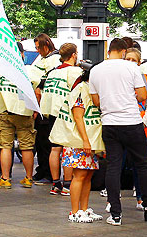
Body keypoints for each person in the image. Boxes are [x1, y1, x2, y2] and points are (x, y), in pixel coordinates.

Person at [88, 38, 147, 226]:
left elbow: (96, 100)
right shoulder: (132, 68)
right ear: (123, 52)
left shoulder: (95, 70)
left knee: (114, 166)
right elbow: (141, 95)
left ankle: (115, 213)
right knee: (142, 165)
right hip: (131, 122)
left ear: (109, 50)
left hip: (109, 123)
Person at [51, 65, 104, 222]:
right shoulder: (81, 89)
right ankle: (75, 211)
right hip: (79, 141)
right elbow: (78, 116)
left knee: (87, 176)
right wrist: (86, 141)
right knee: (79, 175)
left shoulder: (90, 89)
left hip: (89, 140)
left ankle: (84, 208)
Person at [0, 56, 43, 190]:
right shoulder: (29, 70)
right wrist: (36, 109)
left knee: (5, 146)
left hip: (4, 112)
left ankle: (5, 178)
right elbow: (38, 92)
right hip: (25, 112)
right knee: (26, 147)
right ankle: (29, 178)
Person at [38, 43, 83, 196]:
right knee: (68, 148)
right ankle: (68, 184)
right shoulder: (75, 71)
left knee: (55, 148)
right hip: (66, 114)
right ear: (74, 55)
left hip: (51, 113)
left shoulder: (52, 72)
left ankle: (56, 183)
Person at [124, 47, 147, 209]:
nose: (130, 63)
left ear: (139, 62)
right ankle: (112, 198)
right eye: (127, 59)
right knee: (119, 162)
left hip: (140, 127)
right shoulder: (119, 78)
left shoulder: (144, 79)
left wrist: (143, 121)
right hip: (122, 124)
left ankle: (141, 197)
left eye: (133, 60)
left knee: (140, 163)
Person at [32, 33, 60, 183]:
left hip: (48, 105)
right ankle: (42, 169)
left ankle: (47, 171)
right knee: (40, 141)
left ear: (46, 45)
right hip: (41, 105)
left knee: (46, 142)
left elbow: (51, 76)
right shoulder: (42, 58)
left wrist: (40, 85)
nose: (37, 50)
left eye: (38, 47)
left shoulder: (54, 59)